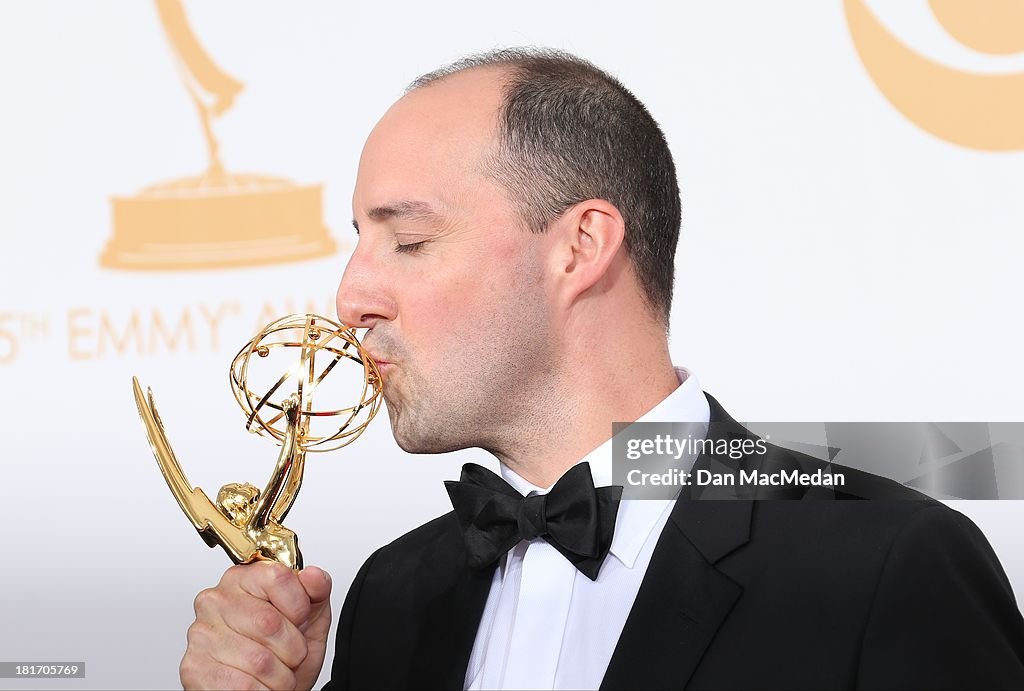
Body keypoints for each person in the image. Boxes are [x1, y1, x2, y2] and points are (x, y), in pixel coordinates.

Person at [178, 48, 1024, 690]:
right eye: (356, 243)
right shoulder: (392, 599)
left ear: (581, 246)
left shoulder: (885, 567)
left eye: (409, 241)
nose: (351, 294)